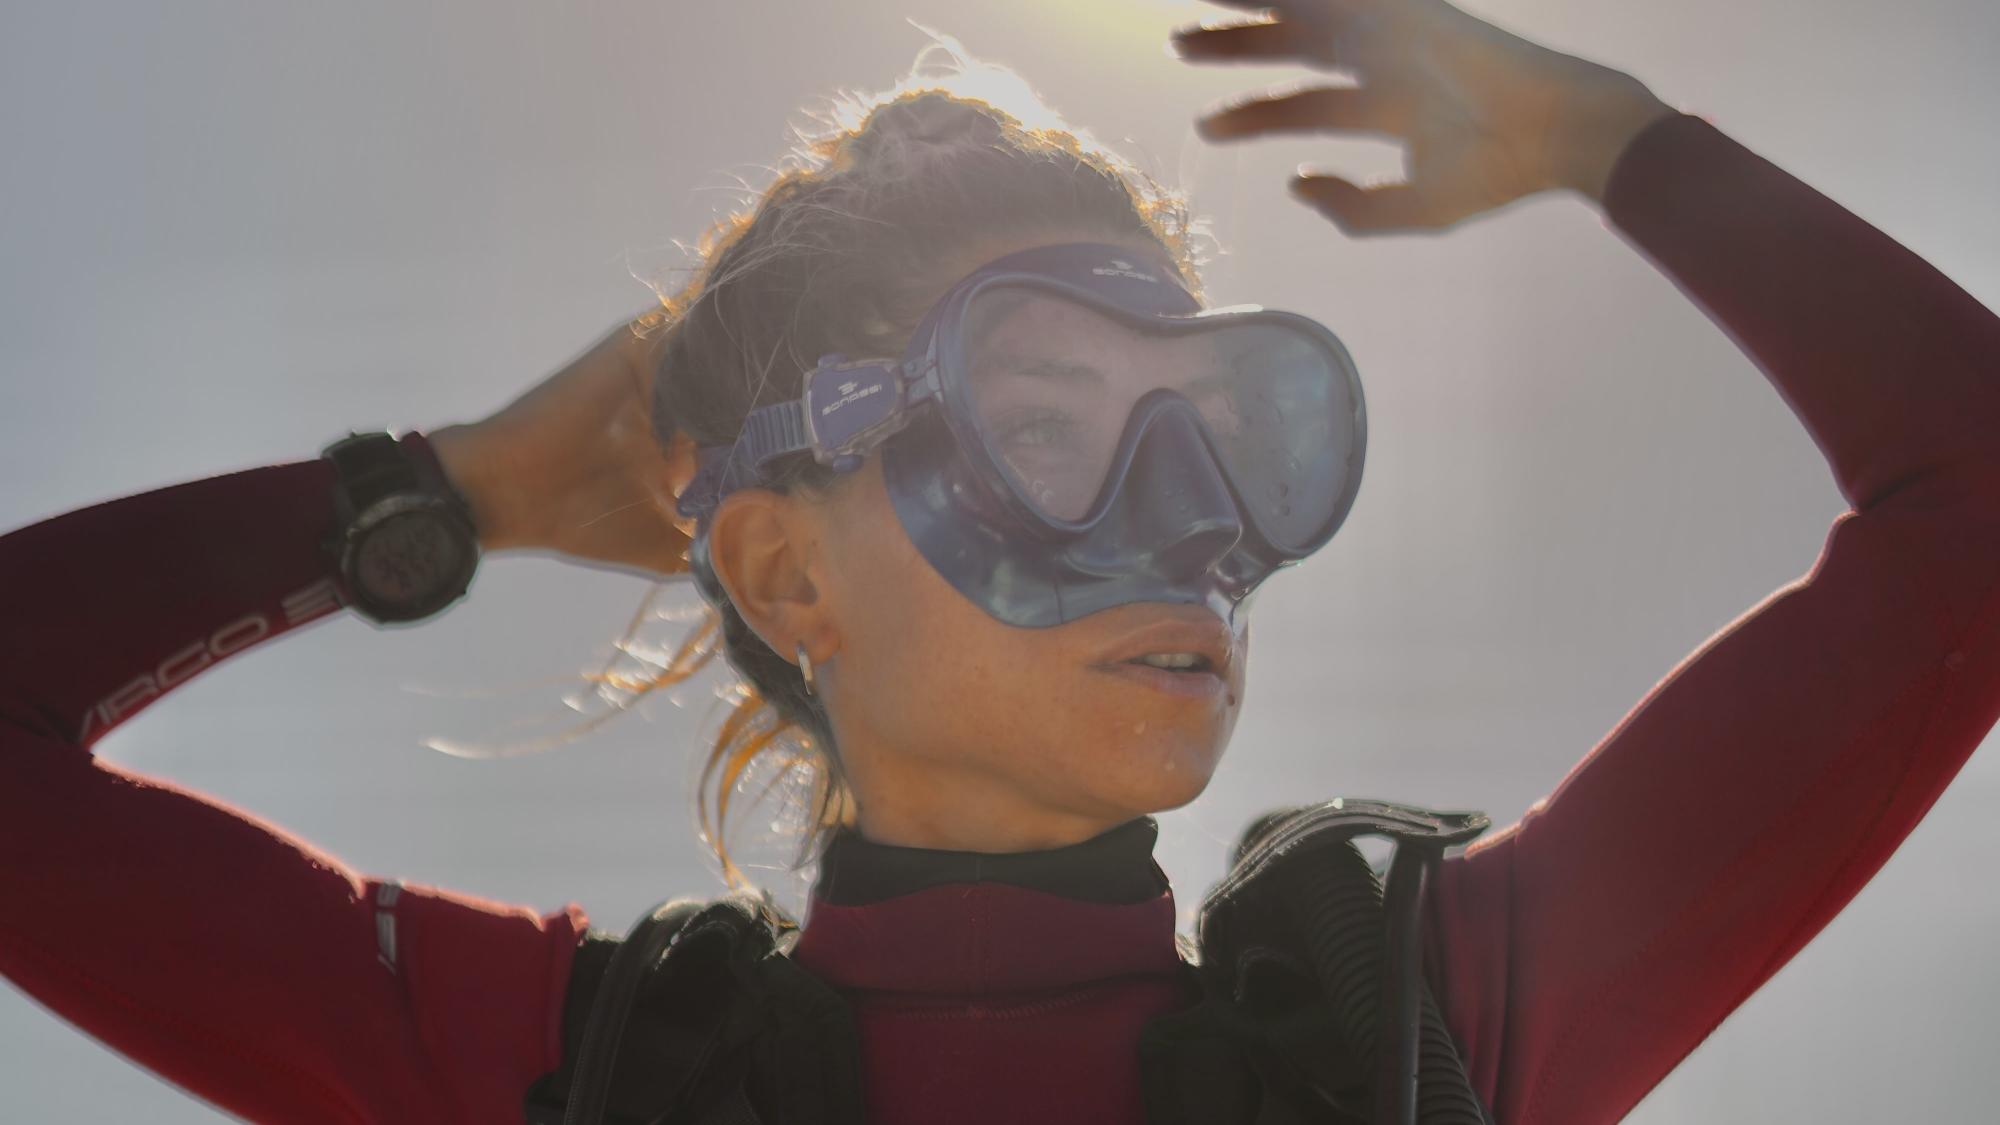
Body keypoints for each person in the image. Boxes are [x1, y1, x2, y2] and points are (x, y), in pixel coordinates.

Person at [3, 0, 1996, 1122]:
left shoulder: (1412, 1037)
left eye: (1220, 426)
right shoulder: (582, 1078)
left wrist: (1615, 139)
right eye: (1046, 420)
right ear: (786, 577)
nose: (1188, 518)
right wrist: (444, 493)